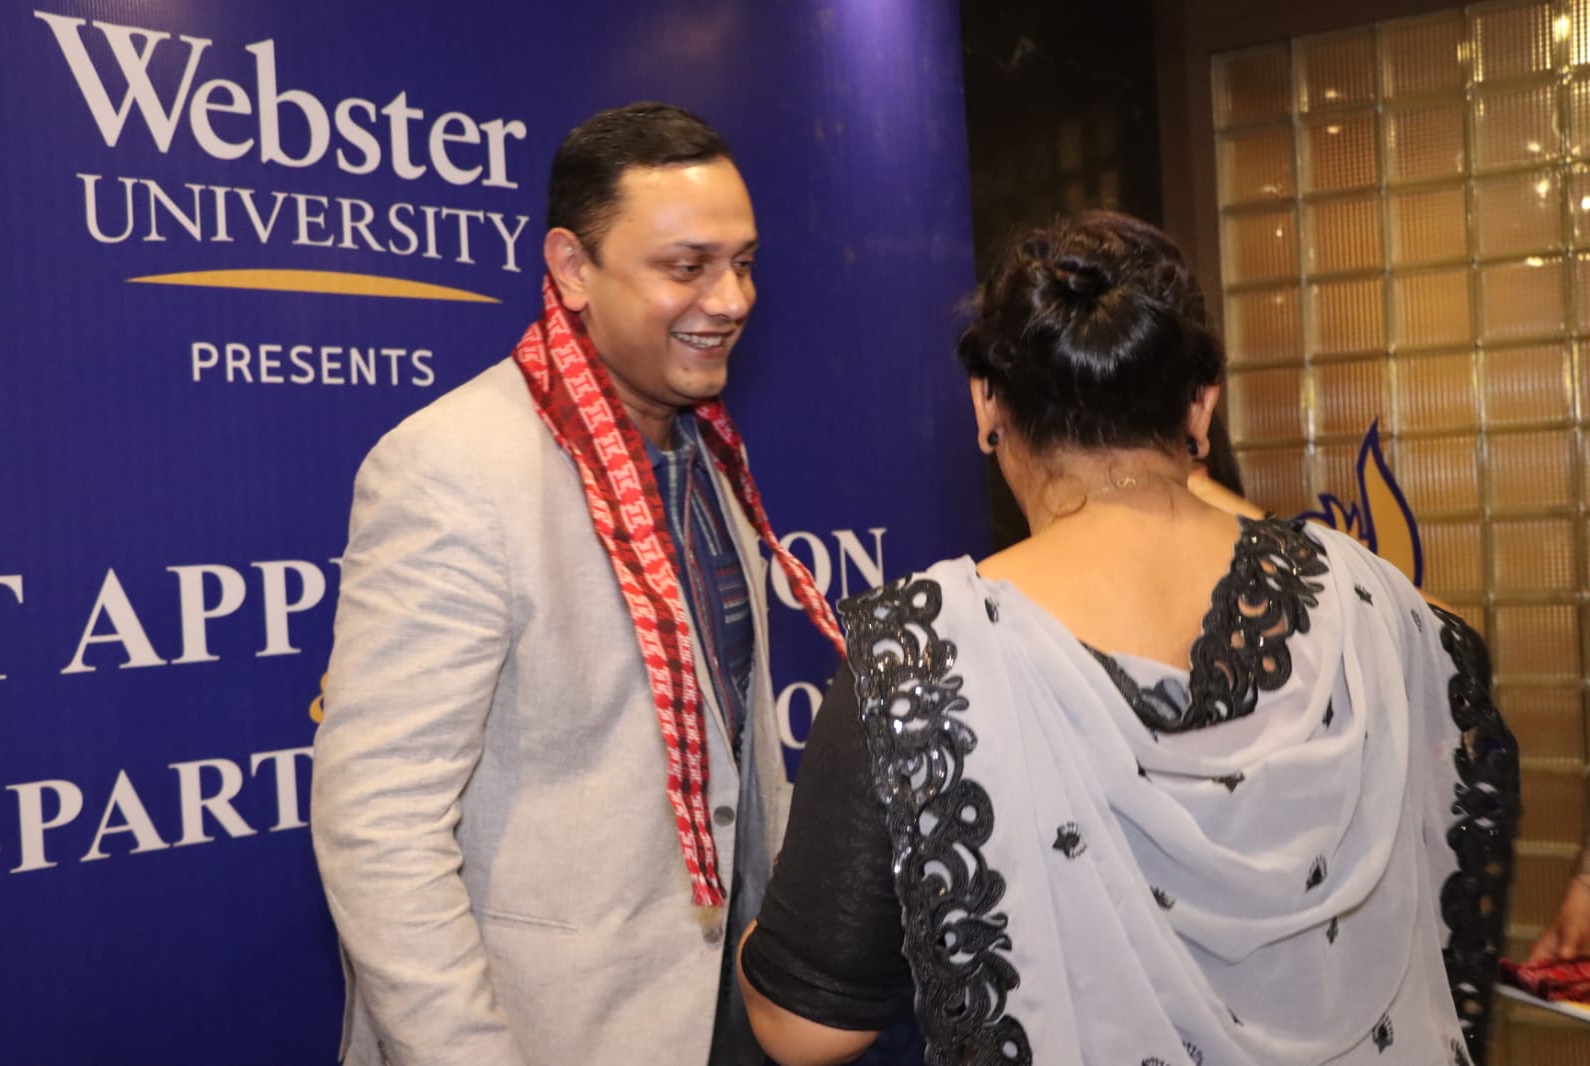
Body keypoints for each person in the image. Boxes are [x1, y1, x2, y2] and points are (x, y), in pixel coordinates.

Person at [736, 211, 1520, 1066]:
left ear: (985, 401)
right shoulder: (1385, 612)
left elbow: (806, 1028)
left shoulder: (923, 658)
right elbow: (1457, 692)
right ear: (1202, 404)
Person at [311, 101, 842, 1066]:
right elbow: (378, 832)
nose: (731, 299)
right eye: (687, 266)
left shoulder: (710, 457)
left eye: (744, 263)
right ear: (570, 269)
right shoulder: (453, 468)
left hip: (733, 1015)